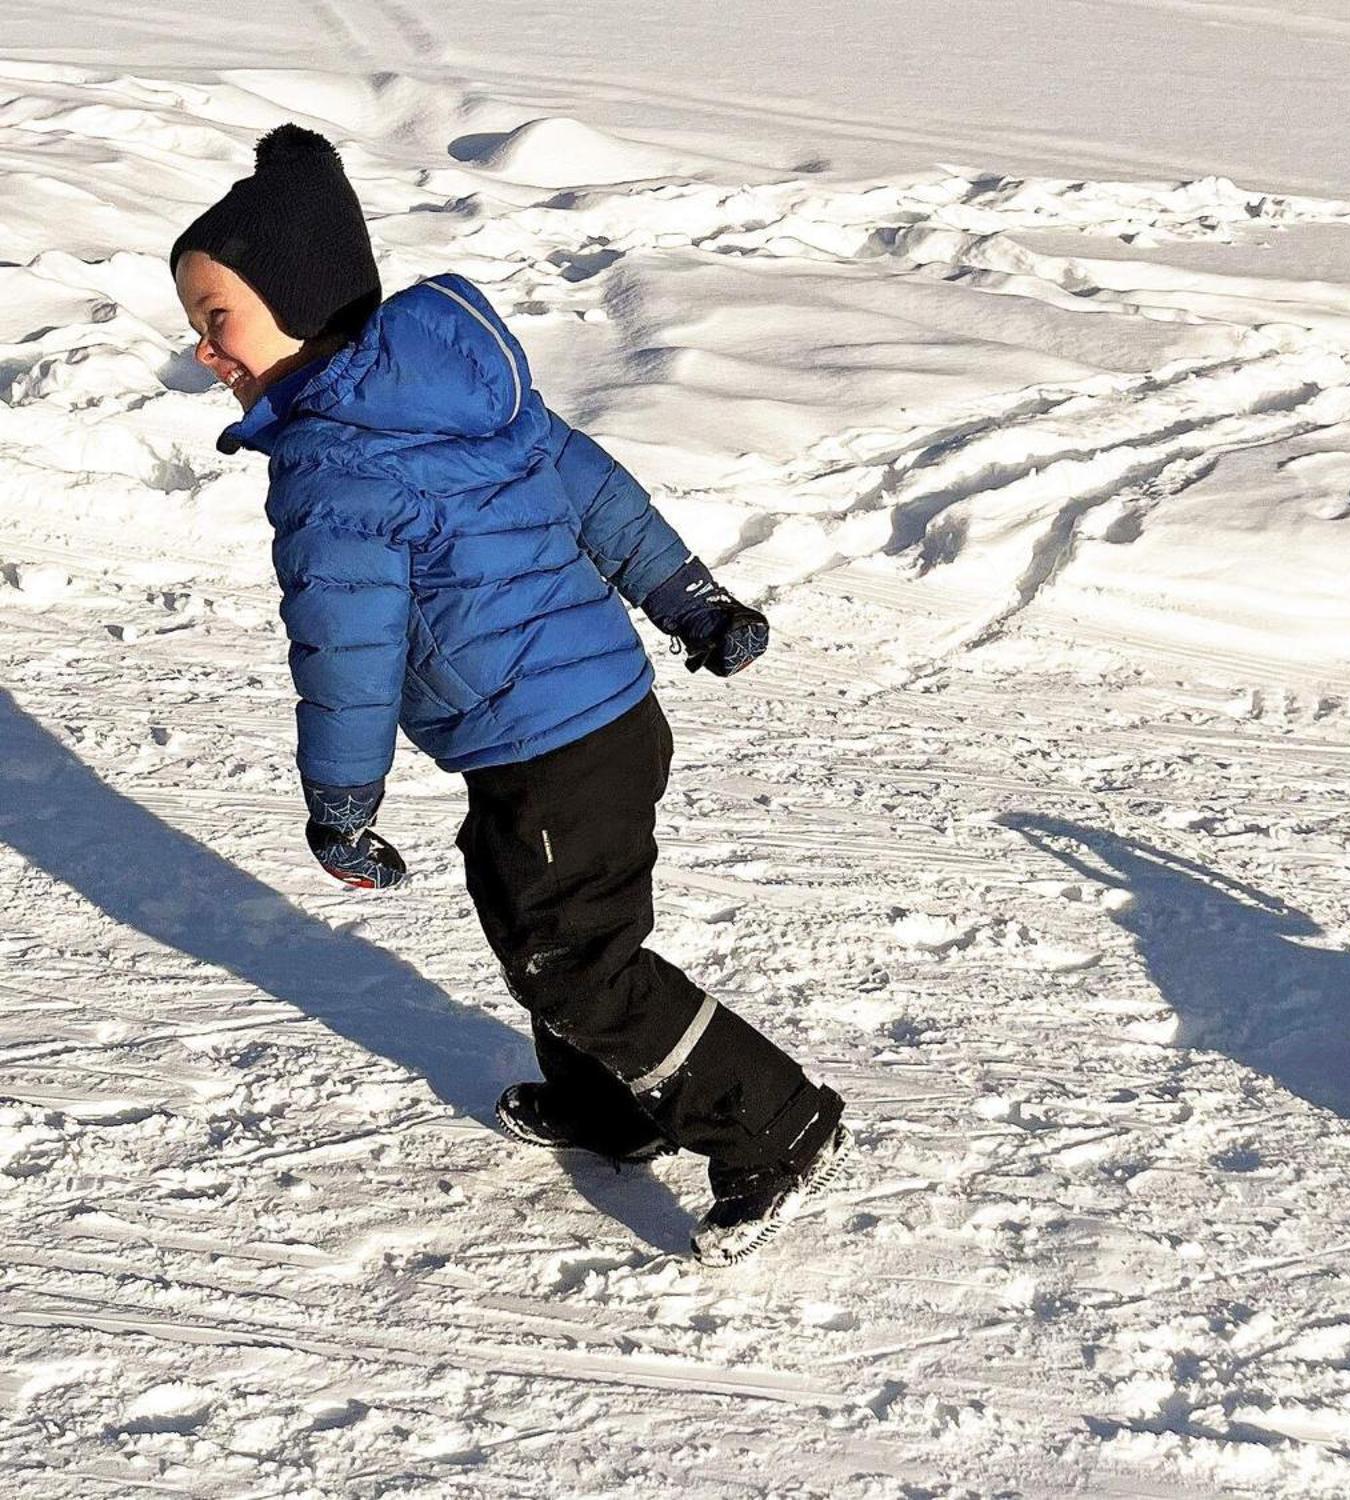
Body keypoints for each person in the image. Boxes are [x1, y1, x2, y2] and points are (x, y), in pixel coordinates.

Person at [168, 124, 848, 1266]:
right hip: (590, 725)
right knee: (527, 921)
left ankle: (774, 1119)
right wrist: (689, 600)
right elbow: (598, 492)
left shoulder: (337, 465)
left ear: (296, 300)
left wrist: (341, 801)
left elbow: (345, 650)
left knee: (577, 961)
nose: (204, 351)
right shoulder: (463, 390)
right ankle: (603, 1107)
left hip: (551, 747)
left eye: (216, 318)